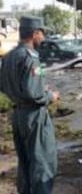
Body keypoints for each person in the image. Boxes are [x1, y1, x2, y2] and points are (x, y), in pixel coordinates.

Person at [0, 16, 60, 194]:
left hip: (18, 114)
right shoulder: (31, 57)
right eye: (42, 33)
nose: (43, 37)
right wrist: (50, 95)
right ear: (35, 33)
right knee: (43, 162)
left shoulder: (9, 56)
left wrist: (29, 91)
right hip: (34, 116)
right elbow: (35, 94)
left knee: (25, 162)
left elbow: (3, 85)